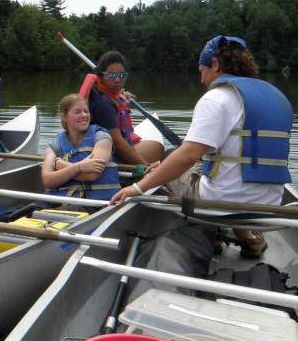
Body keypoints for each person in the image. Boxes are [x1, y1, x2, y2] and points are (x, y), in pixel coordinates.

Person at [110, 35, 292, 259]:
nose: (201, 79)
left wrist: (137, 188)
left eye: (201, 70)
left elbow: (188, 155)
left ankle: (210, 236)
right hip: (270, 203)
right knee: (185, 163)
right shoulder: (278, 97)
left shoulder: (217, 98)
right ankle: (249, 238)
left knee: (170, 160)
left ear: (214, 64)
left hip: (222, 203)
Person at [85, 51, 164, 165]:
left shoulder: (103, 94)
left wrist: (121, 101)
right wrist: (146, 167)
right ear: (101, 76)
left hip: (112, 152)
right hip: (112, 157)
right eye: (112, 75)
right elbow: (117, 143)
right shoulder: (103, 104)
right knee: (157, 148)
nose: (117, 80)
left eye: (122, 75)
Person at [42, 94, 119, 205]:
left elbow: (91, 175)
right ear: (64, 117)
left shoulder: (102, 137)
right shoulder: (55, 144)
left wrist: (60, 165)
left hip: (94, 205)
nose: (84, 115)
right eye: (77, 112)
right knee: (20, 213)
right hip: (59, 201)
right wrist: (79, 167)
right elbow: (47, 181)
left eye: (86, 111)